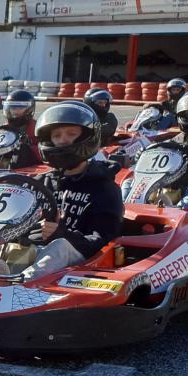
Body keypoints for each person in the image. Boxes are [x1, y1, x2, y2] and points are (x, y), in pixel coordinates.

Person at [22, 102, 122, 279]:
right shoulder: (39, 184)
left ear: (88, 137)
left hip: (82, 257)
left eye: (71, 134)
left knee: (60, 245)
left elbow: (101, 240)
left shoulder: (105, 188)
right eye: (56, 135)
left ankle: (18, 285)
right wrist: (26, 231)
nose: (62, 140)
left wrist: (62, 234)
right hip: (35, 253)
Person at [0, 89, 41, 168]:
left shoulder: (37, 129)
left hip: (29, 164)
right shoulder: (1, 128)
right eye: (13, 108)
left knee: (23, 149)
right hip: (6, 161)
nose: (16, 112)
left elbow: (44, 150)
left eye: (20, 108)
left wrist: (25, 146)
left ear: (29, 109)